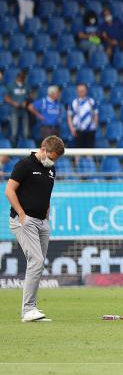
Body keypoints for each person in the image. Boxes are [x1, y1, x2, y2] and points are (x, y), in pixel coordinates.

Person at [6, 135, 65, 322]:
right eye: (52, 157)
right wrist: (22, 214)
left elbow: (46, 194)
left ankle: (32, 308)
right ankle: (28, 310)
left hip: (42, 222)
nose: (53, 161)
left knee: (38, 264)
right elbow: (9, 190)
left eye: (56, 159)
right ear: (43, 149)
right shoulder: (24, 165)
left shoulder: (51, 170)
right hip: (24, 220)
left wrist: (46, 216)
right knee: (36, 260)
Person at [66, 83, 98, 148]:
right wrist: (72, 129)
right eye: (79, 91)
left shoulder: (91, 102)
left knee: (90, 151)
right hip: (78, 130)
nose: (81, 92)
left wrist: (94, 126)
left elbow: (96, 115)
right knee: (78, 151)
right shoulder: (73, 102)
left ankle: (90, 158)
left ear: (86, 91)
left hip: (90, 130)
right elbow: (69, 117)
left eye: (82, 91)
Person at [5, 71, 30, 145]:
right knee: (14, 131)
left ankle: (25, 145)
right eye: (21, 77)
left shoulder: (26, 86)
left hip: (23, 110)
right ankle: (14, 146)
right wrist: (14, 103)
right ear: (17, 77)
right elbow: (6, 98)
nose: (22, 79)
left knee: (26, 131)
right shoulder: (11, 86)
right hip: (14, 110)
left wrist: (26, 102)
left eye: (23, 78)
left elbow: (28, 97)